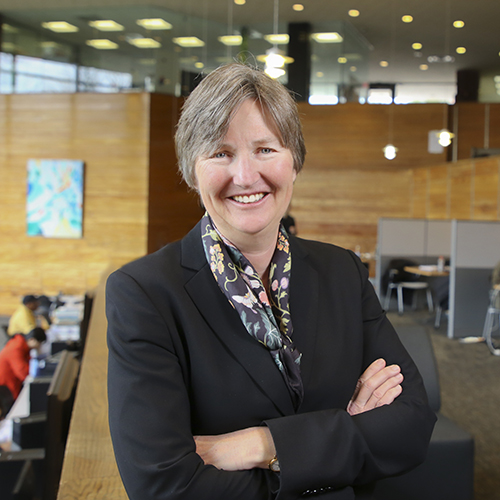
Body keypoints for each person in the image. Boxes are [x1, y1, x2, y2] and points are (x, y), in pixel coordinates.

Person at [106, 63, 436, 500]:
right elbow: (163, 486)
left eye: (265, 149)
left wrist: (264, 444)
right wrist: (344, 435)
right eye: (220, 153)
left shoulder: (341, 271)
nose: (245, 176)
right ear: (192, 170)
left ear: (294, 162)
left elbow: (411, 423)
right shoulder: (144, 293)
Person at [0, 327, 46, 401]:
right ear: (32, 340)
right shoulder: (16, 348)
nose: (39, 347)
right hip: (5, 389)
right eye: (39, 344)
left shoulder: (23, 346)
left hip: (11, 385)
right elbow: (23, 373)